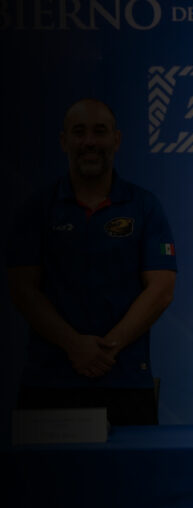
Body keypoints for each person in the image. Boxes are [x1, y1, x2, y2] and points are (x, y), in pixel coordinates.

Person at [7, 98, 177, 425]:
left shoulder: (144, 206)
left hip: (124, 377)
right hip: (48, 380)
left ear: (116, 139)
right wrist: (74, 346)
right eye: (79, 132)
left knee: (131, 477)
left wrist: (106, 350)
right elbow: (22, 289)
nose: (89, 142)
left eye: (99, 132)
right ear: (63, 141)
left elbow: (161, 289)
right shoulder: (36, 208)